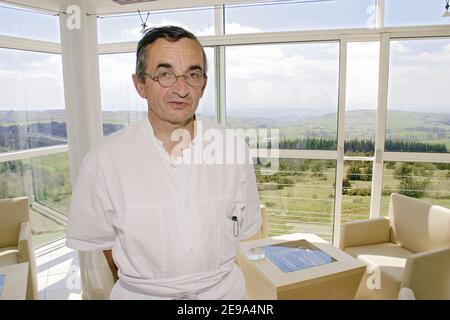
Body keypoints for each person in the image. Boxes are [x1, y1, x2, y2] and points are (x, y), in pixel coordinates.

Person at [66, 25, 261, 300]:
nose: (181, 89)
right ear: (140, 84)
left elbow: (246, 228)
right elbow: (103, 247)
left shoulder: (233, 150)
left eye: (193, 75)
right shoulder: (103, 161)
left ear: (203, 85)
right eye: (165, 74)